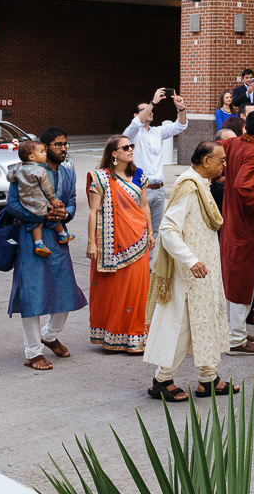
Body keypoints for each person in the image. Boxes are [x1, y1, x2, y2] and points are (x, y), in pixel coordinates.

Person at [143, 140, 235, 401]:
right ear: (206, 161)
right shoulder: (189, 186)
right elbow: (168, 229)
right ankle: (161, 381)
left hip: (205, 272)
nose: (224, 165)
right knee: (183, 327)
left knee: (209, 321)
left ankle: (209, 379)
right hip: (190, 273)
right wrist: (190, 260)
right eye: (221, 160)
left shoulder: (202, 184)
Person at [7, 127, 87, 369]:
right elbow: (11, 205)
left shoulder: (69, 174)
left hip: (58, 237)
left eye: (65, 144)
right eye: (57, 145)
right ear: (43, 148)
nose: (63, 148)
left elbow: (71, 202)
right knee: (32, 294)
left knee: (66, 290)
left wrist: (65, 213)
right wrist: (40, 216)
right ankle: (32, 353)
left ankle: (49, 336)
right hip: (32, 237)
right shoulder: (25, 171)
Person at [85, 133, 152, 353]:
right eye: (125, 147)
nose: (131, 150)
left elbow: (144, 206)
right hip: (113, 244)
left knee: (137, 289)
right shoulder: (101, 178)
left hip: (139, 240)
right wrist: (91, 243)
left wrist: (151, 232)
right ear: (114, 154)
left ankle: (135, 337)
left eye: (131, 146)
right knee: (116, 288)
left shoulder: (139, 176)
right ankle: (114, 335)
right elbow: (94, 212)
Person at [219, 110, 254, 356]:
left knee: (236, 278)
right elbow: (243, 187)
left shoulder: (233, 144)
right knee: (243, 279)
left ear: (244, 128)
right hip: (245, 224)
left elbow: (214, 145)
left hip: (232, 220)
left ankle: (234, 330)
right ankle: (236, 339)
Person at [125, 90, 186, 242]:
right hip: (141, 189)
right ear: (136, 115)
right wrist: (153, 102)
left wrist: (181, 108)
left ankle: (149, 265)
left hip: (159, 189)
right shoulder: (132, 134)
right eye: (145, 109)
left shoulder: (157, 132)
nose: (151, 111)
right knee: (138, 229)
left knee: (154, 232)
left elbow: (180, 126)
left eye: (151, 109)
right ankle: (139, 264)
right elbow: (135, 125)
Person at [8, 139, 70, 257]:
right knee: (51, 214)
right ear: (31, 156)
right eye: (42, 152)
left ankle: (38, 243)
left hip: (26, 203)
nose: (45, 154)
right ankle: (62, 234)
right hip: (40, 202)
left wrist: (16, 171)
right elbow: (47, 187)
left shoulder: (18, 168)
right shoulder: (40, 171)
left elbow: (10, 177)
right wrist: (52, 199)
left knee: (38, 224)